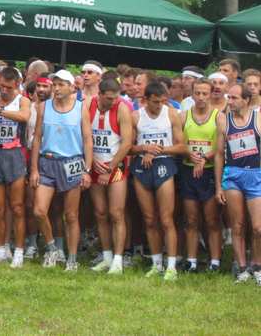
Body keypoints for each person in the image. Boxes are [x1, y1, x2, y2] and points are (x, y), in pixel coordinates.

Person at [30, 70, 93, 271]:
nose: (56, 89)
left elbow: (87, 139)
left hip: (72, 162)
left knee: (71, 215)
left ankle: (72, 259)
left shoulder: (81, 108)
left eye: (61, 85)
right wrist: (34, 169)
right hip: (47, 161)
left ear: (71, 87)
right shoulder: (44, 106)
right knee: (39, 210)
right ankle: (52, 249)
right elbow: (37, 138)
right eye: (54, 84)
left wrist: (87, 169)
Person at [130, 81, 185, 281]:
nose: (159, 105)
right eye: (155, 102)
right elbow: (128, 147)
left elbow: (182, 147)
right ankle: (156, 263)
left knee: (166, 219)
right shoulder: (136, 116)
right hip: (142, 165)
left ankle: (171, 266)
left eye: (162, 101)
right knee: (149, 218)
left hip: (164, 164)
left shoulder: (171, 114)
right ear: (145, 100)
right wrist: (144, 148)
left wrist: (156, 150)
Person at [0, 67, 31, 268]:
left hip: (15, 154)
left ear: (17, 85)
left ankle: (18, 251)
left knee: (17, 206)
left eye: (8, 87)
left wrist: (1, 112)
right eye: (1, 86)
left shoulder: (22, 101)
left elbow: (25, 117)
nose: (4, 90)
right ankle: (1, 249)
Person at [215, 84, 261, 285]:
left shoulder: (258, 118)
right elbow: (219, 154)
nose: (230, 101)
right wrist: (218, 186)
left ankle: (257, 266)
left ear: (246, 100)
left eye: (234, 98)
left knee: (258, 227)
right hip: (233, 175)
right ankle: (242, 269)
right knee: (238, 225)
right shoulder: (223, 120)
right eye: (229, 97)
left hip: (256, 174)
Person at [87, 78, 133, 274]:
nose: (113, 102)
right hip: (95, 164)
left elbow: (127, 142)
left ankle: (118, 259)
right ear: (100, 94)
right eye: (108, 98)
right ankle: (106, 256)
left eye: (115, 98)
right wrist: (91, 161)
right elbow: (84, 136)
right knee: (100, 212)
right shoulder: (88, 105)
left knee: (116, 213)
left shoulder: (122, 108)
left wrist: (110, 167)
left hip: (116, 166)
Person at [179, 79, 222, 272]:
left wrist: (204, 158)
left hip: (210, 170)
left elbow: (221, 147)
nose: (201, 97)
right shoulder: (184, 116)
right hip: (188, 170)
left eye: (205, 93)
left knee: (211, 219)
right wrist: (190, 154)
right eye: (197, 93)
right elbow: (177, 142)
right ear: (192, 94)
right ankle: (191, 260)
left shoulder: (219, 116)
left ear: (211, 94)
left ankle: (215, 261)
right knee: (191, 219)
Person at [24, 75, 53, 259]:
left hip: (51, 158)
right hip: (30, 156)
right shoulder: (29, 108)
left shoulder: (57, 109)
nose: (41, 90)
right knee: (31, 204)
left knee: (54, 208)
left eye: (45, 86)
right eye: (39, 86)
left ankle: (56, 246)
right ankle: (33, 243)